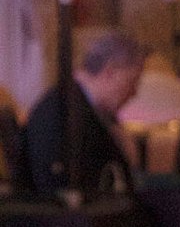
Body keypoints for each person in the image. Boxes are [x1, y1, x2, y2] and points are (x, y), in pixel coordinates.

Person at [24, 30, 145, 198]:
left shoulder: (86, 107)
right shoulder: (63, 112)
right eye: (132, 81)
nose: (134, 92)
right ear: (109, 72)